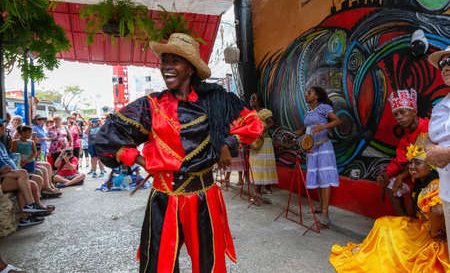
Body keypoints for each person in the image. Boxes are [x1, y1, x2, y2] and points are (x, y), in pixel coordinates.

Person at [95, 33, 264, 273]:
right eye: (164, 61)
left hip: (204, 197)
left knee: (209, 264)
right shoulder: (151, 105)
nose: (167, 67)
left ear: (190, 68)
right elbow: (106, 136)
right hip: (163, 198)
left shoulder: (215, 101)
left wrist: (225, 142)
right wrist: (143, 161)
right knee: (157, 265)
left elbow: (253, 123)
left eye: (175, 61)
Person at [330, 134, 449, 272]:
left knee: (388, 230)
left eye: (417, 162)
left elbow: (438, 211)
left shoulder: (436, 184)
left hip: (433, 237)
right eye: (410, 163)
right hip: (422, 228)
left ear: (430, 166)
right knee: (384, 224)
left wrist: (434, 232)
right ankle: (369, 252)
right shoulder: (422, 183)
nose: (412, 167)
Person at [376, 88, 429, 216]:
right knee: (391, 185)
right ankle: (403, 222)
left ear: (414, 111)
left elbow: (429, 161)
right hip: (415, 175)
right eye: (396, 114)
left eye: (402, 112)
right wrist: (385, 176)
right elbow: (398, 162)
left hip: (432, 176)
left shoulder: (428, 127)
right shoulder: (405, 140)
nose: (399, 117)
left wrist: (402, 176)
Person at [295, 86, 341, 227]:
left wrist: (323, 127)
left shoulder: (324, 108)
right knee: (319, 178)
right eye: (306, 93)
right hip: (312, 149)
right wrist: (294, 133)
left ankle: (325, 216)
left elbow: (337, 121)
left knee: (325, 179)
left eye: (309, 93)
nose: (306, 95)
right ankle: (321, 207)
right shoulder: (308, 112)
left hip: (323, 147)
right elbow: (306, 128)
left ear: (317, 96)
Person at [426, 45, 450, 255]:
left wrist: (447, 154)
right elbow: (429, 138)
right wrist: (429, 149)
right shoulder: (441, 106)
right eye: (443, 63)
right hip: (448, 191)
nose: (445, 67)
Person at [248, 93, 278, 198]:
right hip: (254, 143)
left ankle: (261, 191)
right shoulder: (250, 113)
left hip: (264, 142)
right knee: (255, 166)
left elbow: (271, 123)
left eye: (254, 98)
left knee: (263, 165)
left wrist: (262, 129)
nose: (251, 100)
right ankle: (259, 191)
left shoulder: (265, 112)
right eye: (251, 98)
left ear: (259, 101)